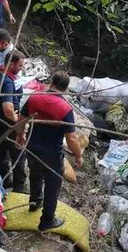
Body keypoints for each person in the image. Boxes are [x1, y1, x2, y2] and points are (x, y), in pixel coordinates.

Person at [18, 71, 83, 230]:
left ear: (51, 82)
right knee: (52, 186)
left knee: (35, 174)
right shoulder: (65, 108)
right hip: (52, 154)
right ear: (66, 88)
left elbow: (21, 120)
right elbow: (72, 139)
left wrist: (20, 136)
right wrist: (78, 155)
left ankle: (34, 203)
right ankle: (47, 221)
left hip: (32, 148)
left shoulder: (34, 98)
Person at [0, 50, 27, 192]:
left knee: (1, 150)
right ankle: (19, 188)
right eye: (20, 65)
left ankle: (5, 181)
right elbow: (7, 108)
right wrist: (17, 120)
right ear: (11, 64)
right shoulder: (8, 82)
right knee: (18, 154)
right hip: (8, 124)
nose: (22, 68)